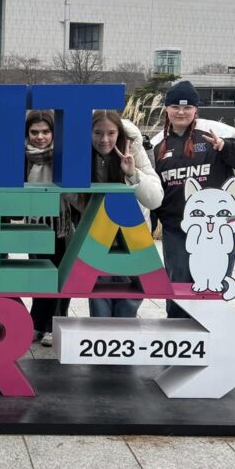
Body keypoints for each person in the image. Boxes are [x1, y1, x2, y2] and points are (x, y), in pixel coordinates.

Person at [150, 80, 235, 318]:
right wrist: (147, 226)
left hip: (220, 225)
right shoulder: (157, 143)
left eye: (187, 107)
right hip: (177, 227)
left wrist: (226, 147)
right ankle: (178, 333)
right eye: (175, 107)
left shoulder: (215, 131)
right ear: (166, 109)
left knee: (214, 280)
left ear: (195, 109)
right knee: (179, 280)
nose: (181, 112)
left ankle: (211, 331)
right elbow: (151, 188)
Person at [83, 110, 163, 318]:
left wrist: (132, 173)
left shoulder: (134, 149)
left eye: (111, 133)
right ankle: (101, 337)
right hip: (99, 234)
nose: (104, 139)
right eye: (98, 133)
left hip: (132, 234)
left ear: (119, 133)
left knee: (130, 293)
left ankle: (123, 332)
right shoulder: (81, 154)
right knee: (99, 291)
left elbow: (155, 199)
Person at [23, 110, 73, 346]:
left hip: (61, 222)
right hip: (34, 222)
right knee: (38, 274)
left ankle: (56, 324)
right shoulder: (23, 156)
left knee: (60, 274)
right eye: (34, 132)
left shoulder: (63, 155)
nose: (40, 137)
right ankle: (37, 323)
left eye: (45, 131)